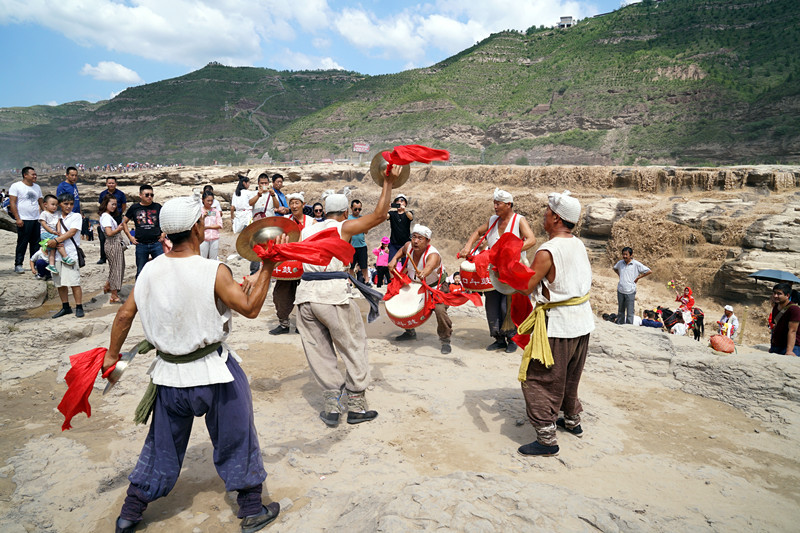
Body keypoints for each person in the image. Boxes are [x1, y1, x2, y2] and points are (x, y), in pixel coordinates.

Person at [100, 194, 285, 533]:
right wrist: (268, 266)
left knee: (161, 445)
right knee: (237, 436)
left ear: (166, 233)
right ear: (198, 227)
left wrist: (112, 356)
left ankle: (131, 512)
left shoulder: (149, 271)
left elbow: (125, 315)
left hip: (169, 375)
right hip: (214, 372)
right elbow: (251, 308)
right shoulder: (214, 270)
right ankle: (251, 508)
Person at [292, 167, 400, 427]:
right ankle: (356, 405)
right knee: (353, 347)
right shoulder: (343, 227)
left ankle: (331, 407)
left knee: (319, 351)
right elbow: (379, 216)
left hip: (305, 296)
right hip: (333, 295)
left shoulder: (307, 229)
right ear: (343, 213)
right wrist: (388, 182)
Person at [517, 190, 593, 457]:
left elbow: (527, 286)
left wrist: (506, 267)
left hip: (559, 325)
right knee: (571, 376)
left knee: (539, 378)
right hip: (582, 323)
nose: (544, 216)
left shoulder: (547, 250)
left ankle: (547, 439)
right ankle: (572, 421)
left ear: (557, 218)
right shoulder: (579, 244)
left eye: (547, 212)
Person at [460, 188, 536, 353]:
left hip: (513, 270)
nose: (495, 206)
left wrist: (512, 251)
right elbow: (477, 232)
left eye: (498, 203)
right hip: (493, 270)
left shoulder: (519, 220)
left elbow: (532, 240)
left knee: (507, 305)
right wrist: (467, 246)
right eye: (494, 203)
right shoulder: (493, 220)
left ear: (508, 205)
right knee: (492, 304)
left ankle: (513, 339)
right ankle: (499, 339)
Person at [389, 224, 453, 354]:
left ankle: (445, 340)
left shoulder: (433, 254)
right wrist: (394, 259)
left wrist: (423, 273)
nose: (415, 241)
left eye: (420, 238)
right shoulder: (409, 246)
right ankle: (409, 331)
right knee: (403, 301)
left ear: (428, 241)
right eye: (414, 237)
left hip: (436, 286)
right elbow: (402, 249)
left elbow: (429, 266)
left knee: (440, 310)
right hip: (416, 283)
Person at [269, 192, 314, 335]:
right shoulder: (284, 220)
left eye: (297, 203)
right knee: (281, 294)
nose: (294, 206)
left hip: (305, 264)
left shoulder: (312, 222)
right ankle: (284, 323)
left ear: (303, 205)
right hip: (287, 264)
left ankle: (304, 325)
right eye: (292, 203)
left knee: (305, 295)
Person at [51, 194, 85, 318]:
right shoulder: (55, 216)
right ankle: (65, 306)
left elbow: (72, 232)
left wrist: (55, 241)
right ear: (60, 204)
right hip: (57, 255)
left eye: (71, 204)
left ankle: (79, 306)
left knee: (74, 281)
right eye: (66, 204)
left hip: (70, 253)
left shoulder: (75, 216)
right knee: (60, 282)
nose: (69, 206)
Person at [122, 185, 164, 278]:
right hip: (141, 244)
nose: (150, 197)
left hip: (156, 243)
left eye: (152, 195)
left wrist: (163, 234)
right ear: (140, 195)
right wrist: (130, 237)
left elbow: (166, 220)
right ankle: (139, 292)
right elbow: (124, 222)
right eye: (147, 195)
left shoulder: (157, 207)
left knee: (161, 269)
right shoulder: (134, 208)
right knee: (141, 270)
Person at [9, 166, 44, 273]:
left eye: (35, 174)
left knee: (36, 244)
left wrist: (46, 216)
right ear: (25, 175)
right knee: (22, 243)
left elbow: (41, 203)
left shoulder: (37, 187)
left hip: (36, 219)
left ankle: (35, 264)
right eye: (33, 174)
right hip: (24, 219)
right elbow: (12, 203)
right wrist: (18, 218)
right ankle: (18, 264)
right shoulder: (16, 186)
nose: (35, 176)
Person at [612, 247, 651, 325]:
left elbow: (649, 271)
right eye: (623, 254)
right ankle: (620, 324)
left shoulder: (636, 264)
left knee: (630, 311)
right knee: (620, 310)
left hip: (630, 291)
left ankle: (629, 326)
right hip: (620, 290)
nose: (625, 256)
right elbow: (615, 268)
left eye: (626, 254)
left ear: (631, 255)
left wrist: (638, 278)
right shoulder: (620, 263)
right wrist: (619, 274)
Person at [99, 196, 126, 303]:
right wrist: (119, 229)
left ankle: (109, 286)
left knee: (115, 267)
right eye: (112, 204)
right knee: (116, 269)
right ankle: (114, 295)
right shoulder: (106, 217)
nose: (114, 206)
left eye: (115, 204)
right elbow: (109, 233)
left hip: (113, 243)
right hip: (112, 243)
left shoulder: (107, 216)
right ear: (106, 204)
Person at [39, 194, 75, 274]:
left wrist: (58, 231)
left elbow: (58, 223)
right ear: (45, 204)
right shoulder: (44, 214)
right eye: (52, 204)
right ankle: (65, 257)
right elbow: (44, 224)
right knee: (59, 242)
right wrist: (52, 232)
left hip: (53, 233)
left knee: (52, 250)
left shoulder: (56, 214)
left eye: (56, 205)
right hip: (46, 233)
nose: (55, 207)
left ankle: (51, 265)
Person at [98, 177, 127, 265]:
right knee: (103, 238)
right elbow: (101, 205)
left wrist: (118, 213)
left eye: (112, 183)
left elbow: (123, 205)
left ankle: (117, 254)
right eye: (109, 183)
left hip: (116, 217)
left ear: (116, 184)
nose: (111, 185)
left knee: (116, 237)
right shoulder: (102, 194)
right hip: (105, 216)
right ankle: (103, 257)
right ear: (106, 184)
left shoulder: (121, 194)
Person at [769, 283, 800, 356]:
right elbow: (775, 326)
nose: (775, 296)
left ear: (787, 295)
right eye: (774, 293)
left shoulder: (794, 309)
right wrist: (772, 346)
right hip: (777, 345)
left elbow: (792, 330)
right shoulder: (776, 307)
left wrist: (789, 351)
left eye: (779, 294)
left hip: (792, 346)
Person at [387, 193, 413, 261]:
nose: (399, 202)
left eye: (402, 201)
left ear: (405, 204)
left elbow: (411, 217)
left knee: (406, 265)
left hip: (406, 244)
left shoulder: (408, 213)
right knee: (391, 263)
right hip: (394, 243)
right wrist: (386, 209)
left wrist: (404, 210)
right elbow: (385, 216)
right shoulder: (392, 213)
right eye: (397, 201)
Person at [348, 199, 369, 284]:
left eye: (359, 209)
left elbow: (366, 231)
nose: (357, 211)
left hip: (362, 245)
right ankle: (349, 281)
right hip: (351, 246)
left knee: (364, 265)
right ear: (351, 208)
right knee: (351, 266)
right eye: (355, 209)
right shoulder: (348, 219)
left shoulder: (363, 218)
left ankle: (367, 281)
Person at [200, 191, 222, 260]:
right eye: (208, 201)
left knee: (213, 259)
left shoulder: (215, 211)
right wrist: (203, 217)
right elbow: (198, 225)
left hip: (214, 238)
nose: (210, 203)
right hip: (203, 238)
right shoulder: (199, 211)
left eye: (211, 201)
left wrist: (207, 227)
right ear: (203, 200)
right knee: (203, 258)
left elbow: (219, 225)